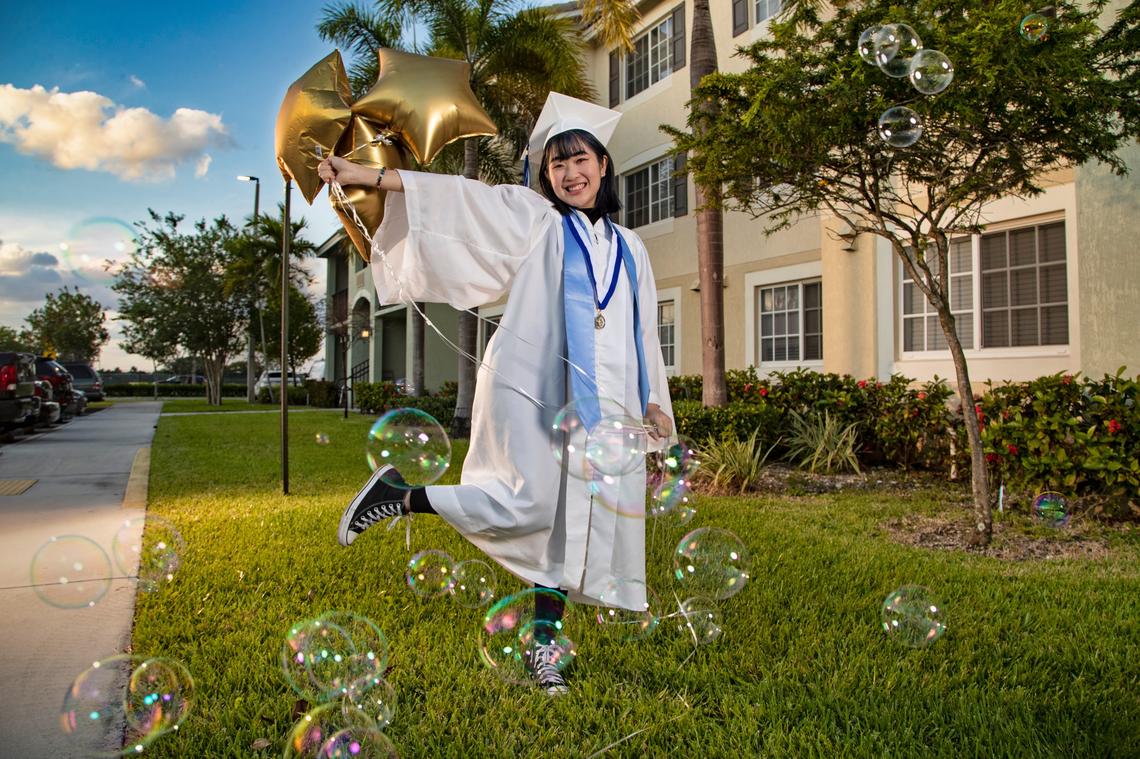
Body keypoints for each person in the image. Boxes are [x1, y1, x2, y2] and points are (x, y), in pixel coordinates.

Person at [317, 93, 675, 696]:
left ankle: (544, 653)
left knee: (566, 533)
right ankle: (402, 495)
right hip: (534, 395)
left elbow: (645, 337)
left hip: (608, 413)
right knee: (530, 507)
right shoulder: (537, 223)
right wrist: (364, 176)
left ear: (604, 164)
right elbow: (461, 201)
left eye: (581, 159)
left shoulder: (632, 249)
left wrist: (656, 416)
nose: (570, 173)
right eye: (557, 165)